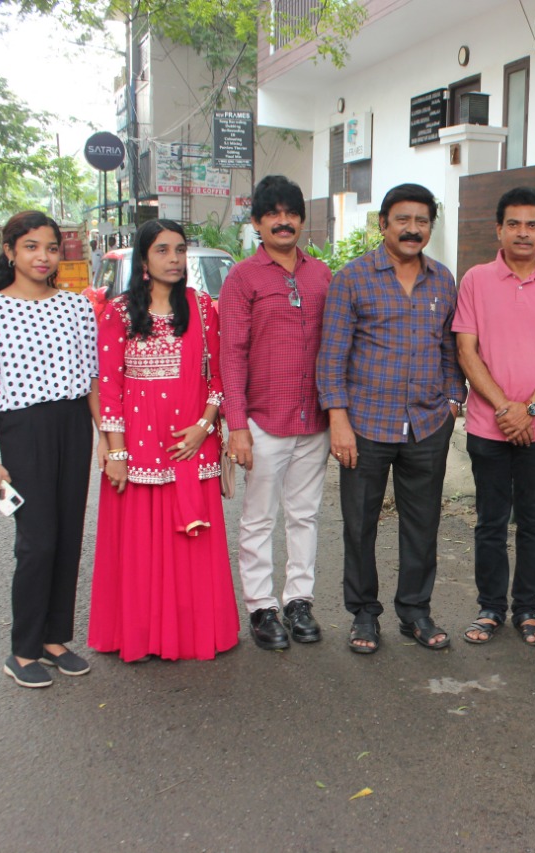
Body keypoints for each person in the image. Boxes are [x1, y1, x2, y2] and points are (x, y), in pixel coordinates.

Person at [317, 183, 464, 654]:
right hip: (365, 424)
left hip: (427, 423)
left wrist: (453, 401)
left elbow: (450, 349)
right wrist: (339, 420)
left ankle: (415, 611)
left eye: (422, 221)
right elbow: (331, 357)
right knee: (360, 524)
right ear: (383, 224)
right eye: (403, 219)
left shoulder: (442, 280)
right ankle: (363, 614)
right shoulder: (352, 279)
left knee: (422, 525)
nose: (412, 229)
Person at [88, 220, 238, 662]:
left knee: (192, 545)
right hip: (137, 446)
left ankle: (193, 633)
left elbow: (218, 376)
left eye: (180, 249)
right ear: (144, 259)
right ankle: (142, 634)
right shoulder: (118, 313)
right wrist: (115, 450)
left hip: (190, 444)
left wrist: (205, 426)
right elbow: (109, 386)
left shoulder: (202, 307)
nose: (174, 259)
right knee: (139, 546)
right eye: (162, 250)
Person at [0, 210, 99, 688]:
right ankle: (22, 650)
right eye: (31, 247)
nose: (43, 257)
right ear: (10, 252)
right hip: (23, 428)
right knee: (37, 541)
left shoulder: (77, 307)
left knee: (68, 534)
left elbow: (93, 380)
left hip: (74, 424)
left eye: (51, 248)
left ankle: (54, 639)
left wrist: (107, 439)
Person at [453, 186, 535, 646]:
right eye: (514, 224)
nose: (522, 233)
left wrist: (529, 409)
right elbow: (466, 352)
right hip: (488, 425)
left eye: (531, 225)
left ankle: (527, 610)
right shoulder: (475, 280)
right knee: (490, 521)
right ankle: (490, 607)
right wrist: (505, 408)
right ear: (499, 230)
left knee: (532, 521)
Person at [220, 175, 333, 650]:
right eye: (273, 214)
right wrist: (237, 426)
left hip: (314, 420)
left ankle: (298, 601)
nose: (283, 222)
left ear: (302, 220)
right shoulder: (242, 278)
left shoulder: (322, 275)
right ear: (257, 222)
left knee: (305, 515)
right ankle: (262, 607)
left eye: (291, 214)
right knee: (259, 518)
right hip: (263, 420)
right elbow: (231, 355)